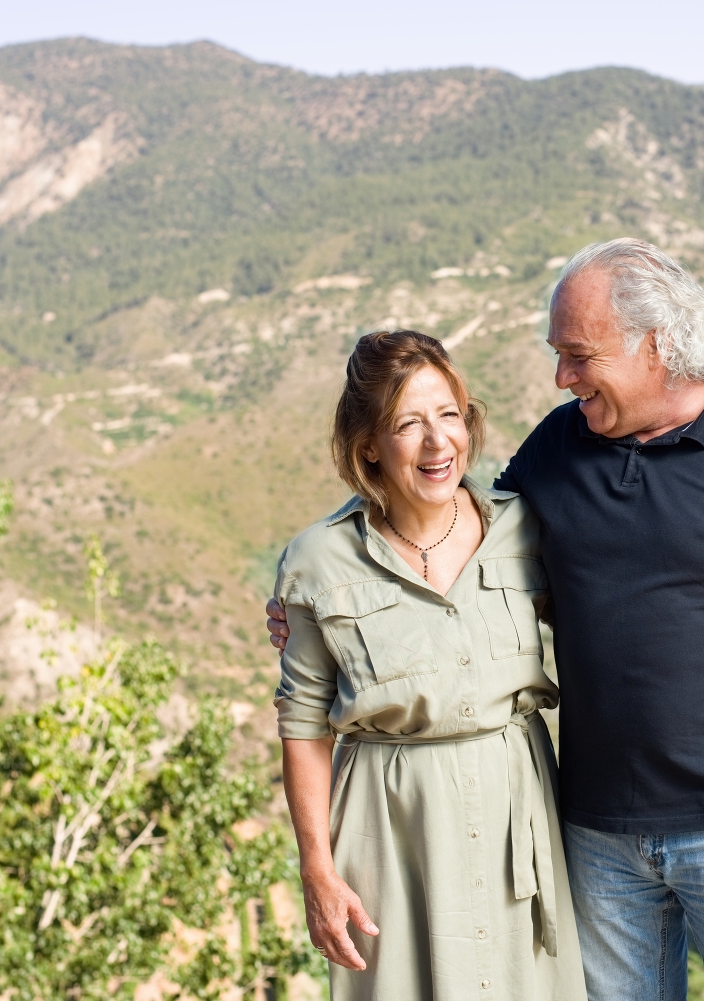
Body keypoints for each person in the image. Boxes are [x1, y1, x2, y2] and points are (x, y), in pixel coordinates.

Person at [272, 239, 704, 1001]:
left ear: (655, 345)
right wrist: (319, 609)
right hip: (594, 834)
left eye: (578, 355)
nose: (562, 378)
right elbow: (454, 547)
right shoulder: (556, 449)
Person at [272, 330, 586, 1001]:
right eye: (408, 424)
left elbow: (610, 614)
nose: (438, 442)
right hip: (390, 830)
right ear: (368, 447)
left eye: (449, 415)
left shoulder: (525, 530)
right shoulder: (317, 563)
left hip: (516, 816)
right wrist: (317, 871)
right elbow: (302, 726)